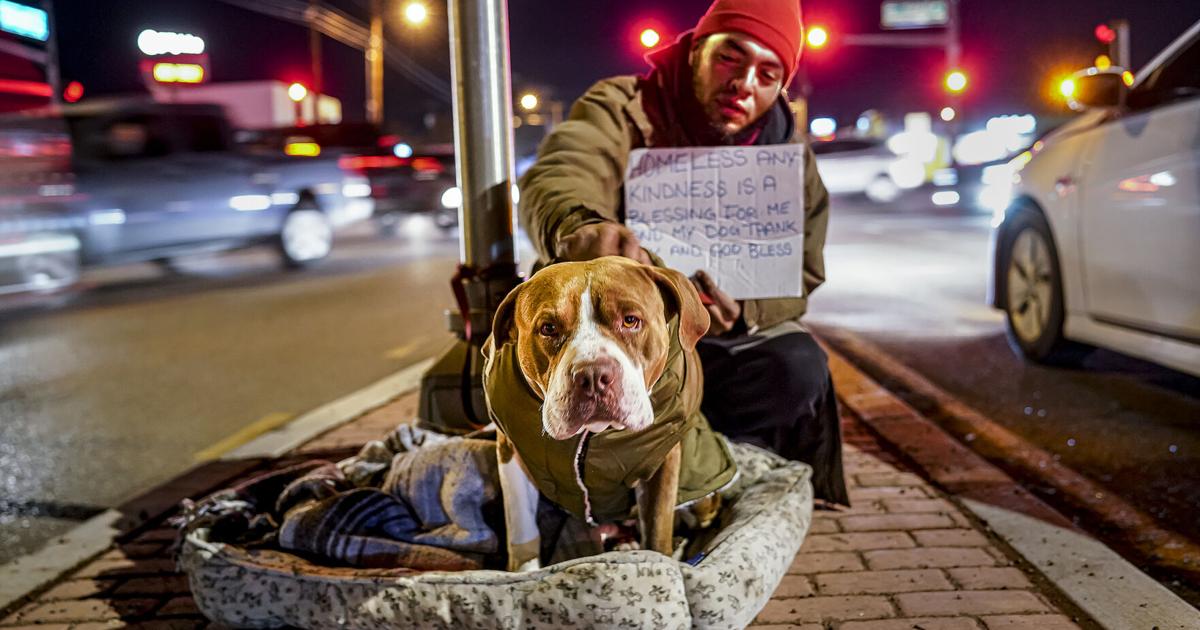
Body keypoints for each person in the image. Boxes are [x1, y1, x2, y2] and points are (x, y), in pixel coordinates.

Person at [517, 0, 847, 505]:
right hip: (622, 339)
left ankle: (718, 480)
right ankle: (585, 492)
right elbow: (567, 168)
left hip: (719, 342)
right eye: (729, 58)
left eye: (768, 72)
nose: (744, 83)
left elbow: (803, 271)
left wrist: (747, 311)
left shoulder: (788, 159)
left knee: (798, 365)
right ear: (696, 49)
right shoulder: (622, 107)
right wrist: (579, 224)